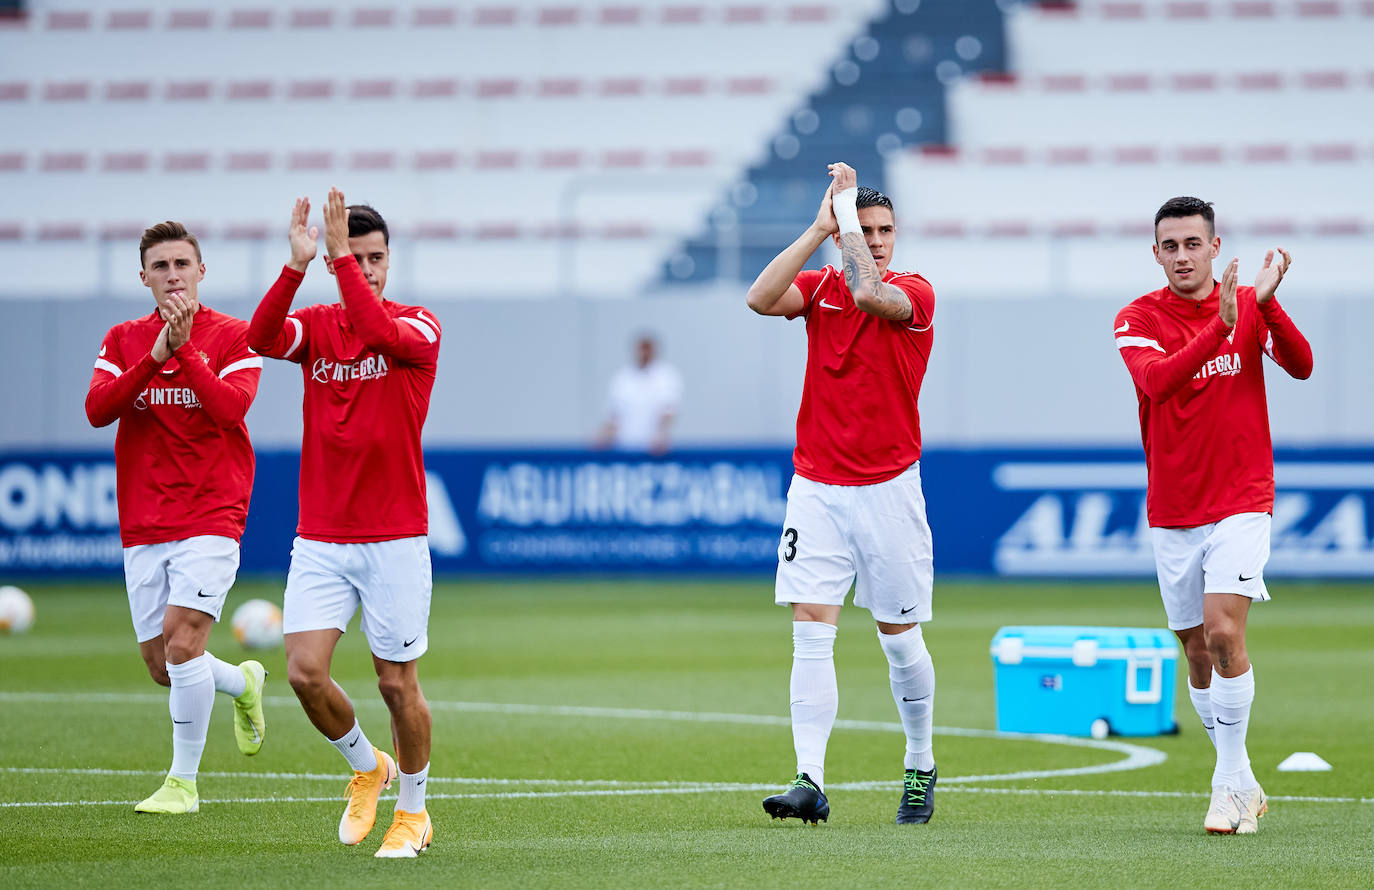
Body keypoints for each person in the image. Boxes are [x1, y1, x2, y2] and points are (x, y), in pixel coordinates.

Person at [247, 191, 440, 858]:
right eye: (355, 256)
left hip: (394, 538)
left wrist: (337, 263)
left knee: (397, 683)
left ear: (390, 260)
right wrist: (297, 266)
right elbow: (263, 338)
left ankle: (413, 812)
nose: (366, 266)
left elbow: (379, 333)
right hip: (323, 536)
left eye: (375, 256)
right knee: (303, 673)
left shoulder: (418, 326)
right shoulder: (321, 324)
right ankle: (367, 766)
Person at [746, 162, 938, 826]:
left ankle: (919, 764)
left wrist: (848, 216)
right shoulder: (820, 283)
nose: (878, 239)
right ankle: (810, 778)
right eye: (868, 229)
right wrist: (818, 225)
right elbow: (758, 297)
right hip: (818, 487)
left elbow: (869, 294)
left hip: (889, 488)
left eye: (886, 229)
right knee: (810, 631)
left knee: (898, 637)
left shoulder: (914, 291)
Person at [1114, 196, 1313, 835]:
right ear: (1156, 253)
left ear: (1214, 246)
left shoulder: (1250, 309)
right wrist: (1219, 326)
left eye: (1192, 244)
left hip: (1241, 498)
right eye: (1169, 246)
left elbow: (1303, 365)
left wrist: (1265, 303)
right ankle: (1243, 778)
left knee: (1225, 633)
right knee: (1197, 652)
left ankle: (1225, 786)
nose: (1181, 256)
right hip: (1174, 509)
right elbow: (1158, 382)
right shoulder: (1136, 316)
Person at [84, 221, 268, 815]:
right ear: (143, 278)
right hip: (144, 521)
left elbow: (229, 408)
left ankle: (183, 785)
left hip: (213, 512)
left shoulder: (234, 336)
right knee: (163, 666)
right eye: (159, 267)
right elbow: (97, 410)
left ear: (201, 271)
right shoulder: (121, 339)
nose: (172, 276)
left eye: (181, 265)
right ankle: (243, 683)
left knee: (184, 644)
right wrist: (154, 356)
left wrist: (184, 350)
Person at [595, 332, 683, 455]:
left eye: (648, 349)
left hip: (654, 450)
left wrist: (661, 434)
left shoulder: (666, 376)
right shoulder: (623, 377)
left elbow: (668, 411)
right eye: (642, 349)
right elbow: (614, 415)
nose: (644, 353)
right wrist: (603, 437)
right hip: (624, 447)